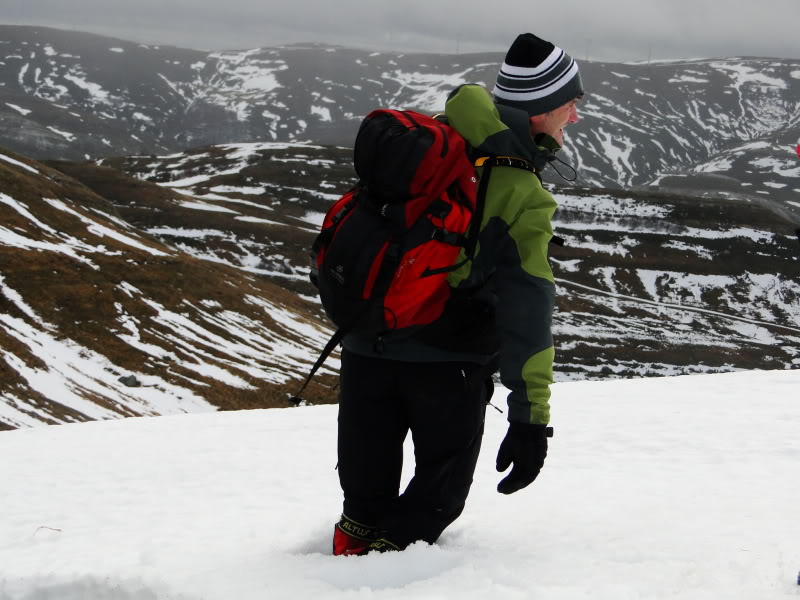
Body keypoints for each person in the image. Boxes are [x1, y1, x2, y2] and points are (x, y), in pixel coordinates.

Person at [333, 32, 584, 555]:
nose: (574, 118)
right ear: (538, 111)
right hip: (445, 365)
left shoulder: (431, 142)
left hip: (363, 345)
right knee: (434, 505)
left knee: (362, 503)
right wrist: (530, 418)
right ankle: (382, 583)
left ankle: (339, 571)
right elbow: (528, 309)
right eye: (568, 105)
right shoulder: (521, 191)